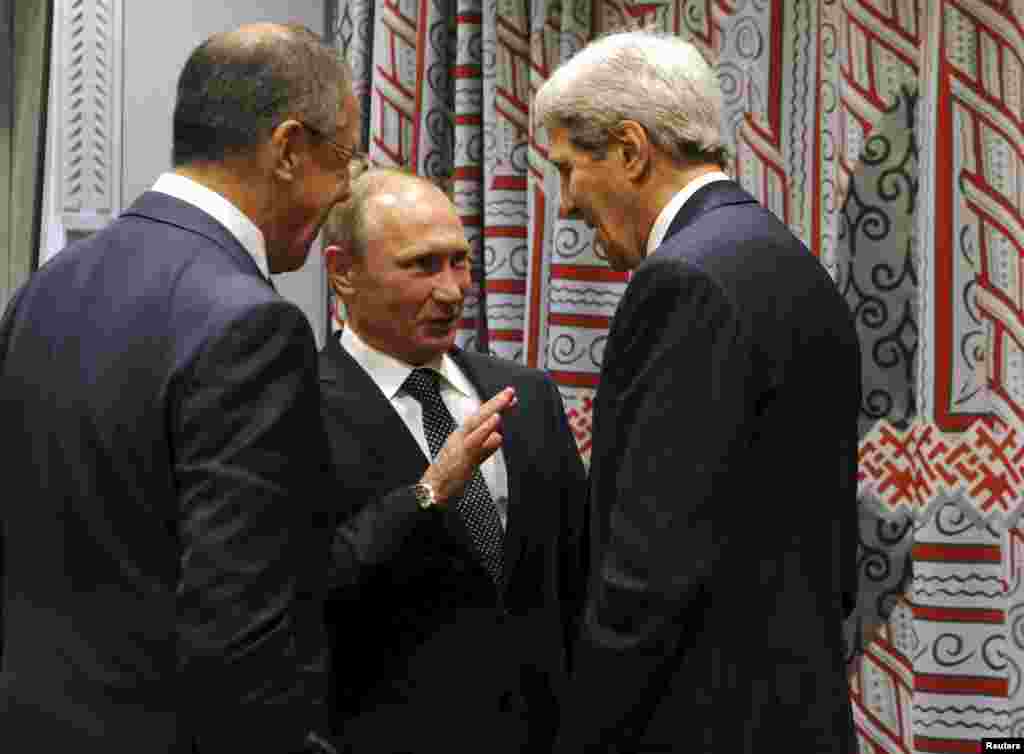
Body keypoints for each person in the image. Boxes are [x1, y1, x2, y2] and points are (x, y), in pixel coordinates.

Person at [0, 23, 358, 754]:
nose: (346, 189)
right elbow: (240, 623)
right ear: (288, 149)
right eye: (343, 158)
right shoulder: (251, 325)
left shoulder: (41, 290)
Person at [534, 30, 861, 753]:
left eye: (566, 169)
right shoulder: (789, 262)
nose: (564, 205)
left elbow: (648, 571)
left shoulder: (682, 282)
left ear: (629, 148)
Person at [318, 168, 588, 754]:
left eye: (459, 261)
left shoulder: (526, 396)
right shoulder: (296, 408)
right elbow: (306, 593)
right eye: (421, 266)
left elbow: (574, 583)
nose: (451, 289)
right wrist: (428, 493)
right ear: (343, 272)